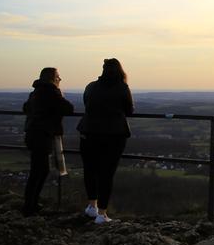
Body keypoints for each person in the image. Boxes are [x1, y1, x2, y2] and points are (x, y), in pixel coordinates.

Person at [77, 58, 134, 224]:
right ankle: (102, 214)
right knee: (106, 174)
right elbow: (129, 110)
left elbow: (87, 103)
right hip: (113, 135)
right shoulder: (123, 88)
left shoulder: (91, 86)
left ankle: (91, 207)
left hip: (88, 132)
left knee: (90, 170)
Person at [22, 67, 74, 217]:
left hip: (33, 134)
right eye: (58, 76)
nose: (60, 79)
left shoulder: (36, 91)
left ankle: (31, 204)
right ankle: (29, 207)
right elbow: (68, 108)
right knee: (38, 172)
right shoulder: (51, 91)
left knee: (39, 171)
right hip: (42, 136)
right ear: (52, 78)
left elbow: (25, 107)